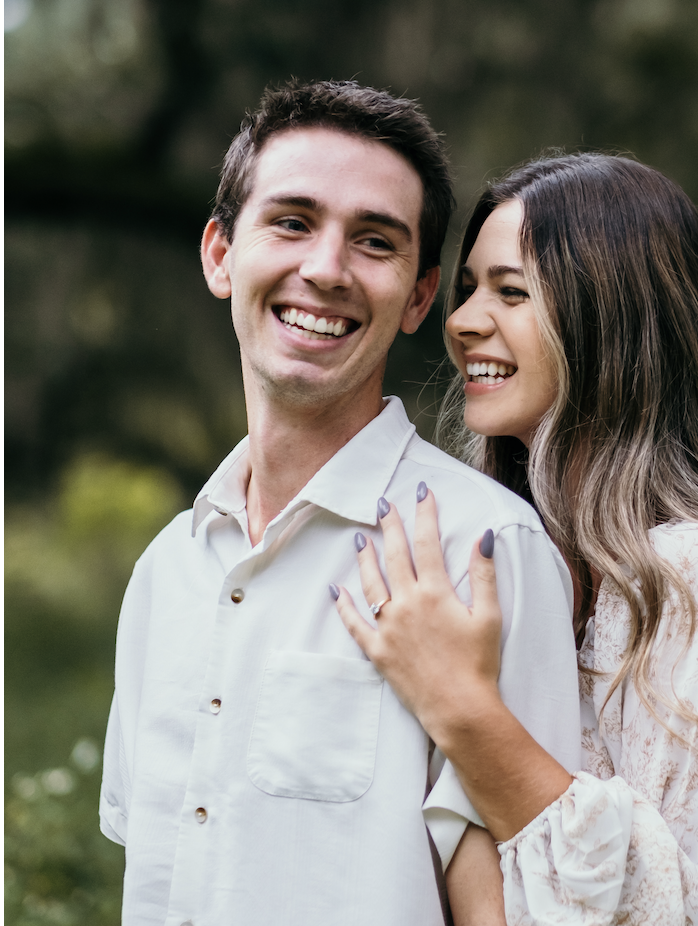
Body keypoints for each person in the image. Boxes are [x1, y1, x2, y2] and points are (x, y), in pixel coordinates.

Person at [98, 81, 581, 926]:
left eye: (374, 241)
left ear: (420, 297)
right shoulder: (166, 572)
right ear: (219, 254)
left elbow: (533, 903)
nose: (324, 269)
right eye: (291, 221)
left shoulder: (487, 550)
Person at [334, 153, 698, 924]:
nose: (465, 320)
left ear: (613, 319)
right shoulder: (530, 559)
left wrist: (459, 706)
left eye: (512, 292)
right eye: (470, 287)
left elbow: (670, 910)